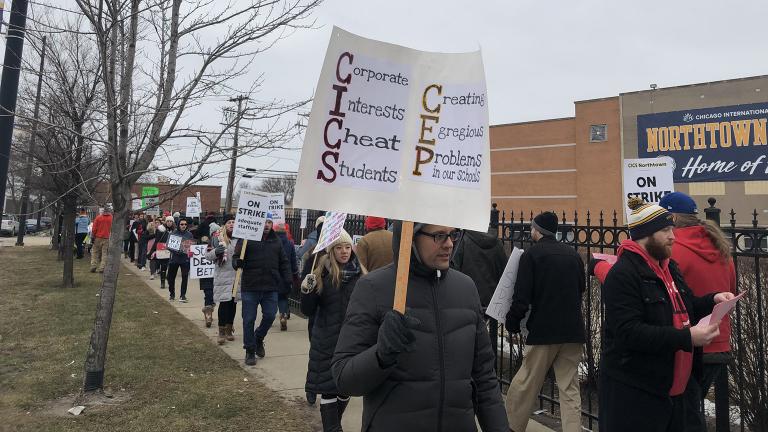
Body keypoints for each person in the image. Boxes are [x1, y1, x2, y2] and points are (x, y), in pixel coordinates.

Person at [332, 221, 509, 431]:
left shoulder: (466, 288)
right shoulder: (373, 288)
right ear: (411, 237)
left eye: (453, 234)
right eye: (439, 236)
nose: (449, 244)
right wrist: (380, 355)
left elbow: (485, 379)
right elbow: (344, 378)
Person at [597, 197, 734, 432]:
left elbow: (686, 304)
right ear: (645, 235)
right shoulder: (624, 274)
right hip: (640, 393)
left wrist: (713, 299)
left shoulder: (669, 266)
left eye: (672, 228)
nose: (673, 235)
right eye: (665, 230)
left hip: (679, 393)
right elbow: (629, 333)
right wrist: (687, 338)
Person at [658, 192, 737, 431]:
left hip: (689, 343)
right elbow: (731, 289)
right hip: (720, 341)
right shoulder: (719, 245)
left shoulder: (673, 248)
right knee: (691, 410)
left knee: (684, 415)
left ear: (671, 217)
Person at [504, 211, 585, 432]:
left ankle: (512, 426)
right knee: (569, 388)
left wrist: (512, 321)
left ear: (537, 230)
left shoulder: (531, 256)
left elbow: (522, 297)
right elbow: (581, 289)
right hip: (573, 331)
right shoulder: (574, 255)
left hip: (543, 330)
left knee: (526, 383)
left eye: (532, 227)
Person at [301, 229, 365, 431]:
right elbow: (307, 310)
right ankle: (333, 428)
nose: (344, 252)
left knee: (346, 386)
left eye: (347, 247)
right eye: (339, 248)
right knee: (329, 389)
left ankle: (334, 423)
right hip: (327, 339)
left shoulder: (361, 275)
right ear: (331, 251)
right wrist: (306, 292)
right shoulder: (321, 274)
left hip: (352, 339)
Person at [232, 214, 291, 366]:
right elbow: (236, 257)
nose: (266, 225)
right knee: (249, 319)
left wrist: (288, 278)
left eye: (269, 222)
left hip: (270, 287)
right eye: (264, 222)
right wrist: (237, 262)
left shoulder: (276, 241)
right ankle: (250, 350)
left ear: (272, 224)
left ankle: (258, 338)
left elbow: (283, 261)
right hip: (250, 286)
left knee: (270, 315)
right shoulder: (246, 239)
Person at [452, 228, 508, 308]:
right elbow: (504, 271)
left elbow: (454, 272)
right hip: (493, 302)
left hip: (469, 300)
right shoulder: (497, 242)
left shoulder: (463, 240)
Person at [206, 215, 238, 345]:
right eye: (229, 222)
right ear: (224, 225)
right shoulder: (217, 238)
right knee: (224, 304)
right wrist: (216, 251)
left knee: (233, 304)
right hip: (223, 276)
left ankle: (230, 329)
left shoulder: (240, 239)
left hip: (236, 277)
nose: (231, 224)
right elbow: (208, 256)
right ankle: (221, 331)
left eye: (233, 222)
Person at [274, 222, 299, 331]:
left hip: (273, 274)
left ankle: (269, 316)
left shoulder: (272, 242)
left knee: (271, 298)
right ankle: (283, 315)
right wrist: (295, 273)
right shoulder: (289, 244)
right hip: (286, 275)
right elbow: (293, 261)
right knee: (283, 297)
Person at [166, 217, 194, 302]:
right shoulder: (173, 233)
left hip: (185, 259)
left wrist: (190, 251)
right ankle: (172, 294)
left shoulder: (189, 234)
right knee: (171, 278)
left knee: (185, 277)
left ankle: (183, 295)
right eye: (182, 224)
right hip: (174, 259)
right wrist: (177, 250)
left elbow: (191, 246)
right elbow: (168, 245)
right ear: (178, 225)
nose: (184, 226)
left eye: (185, 224)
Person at [149, 216, 174, 289]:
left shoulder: (174, 231)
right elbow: (157, 240)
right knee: (161, 266)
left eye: (171, 221)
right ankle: (162, 281)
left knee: (167, 267)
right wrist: (152, 251)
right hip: (161, 249)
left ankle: (165, 281)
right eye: (168, 221)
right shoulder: (160, 229)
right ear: (166, 222)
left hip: (170, 250)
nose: (169, 223)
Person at [199, 233, 216, 328]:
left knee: (213, 297)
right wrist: (191, 256)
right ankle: (208, 316)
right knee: (208, 295)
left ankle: (209, 311)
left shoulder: (217, 248)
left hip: (216, 276)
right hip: (205, 277)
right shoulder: (197, 250)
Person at [90, 206, 113, 273]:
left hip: (98, 237)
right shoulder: (112, 218)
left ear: (103, 211)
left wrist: (92, 236)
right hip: (107, 237)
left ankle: (93, 266)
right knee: (104, 253)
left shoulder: (98, 218)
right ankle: (102, 267)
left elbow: (94, 229)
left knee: (95, 252)